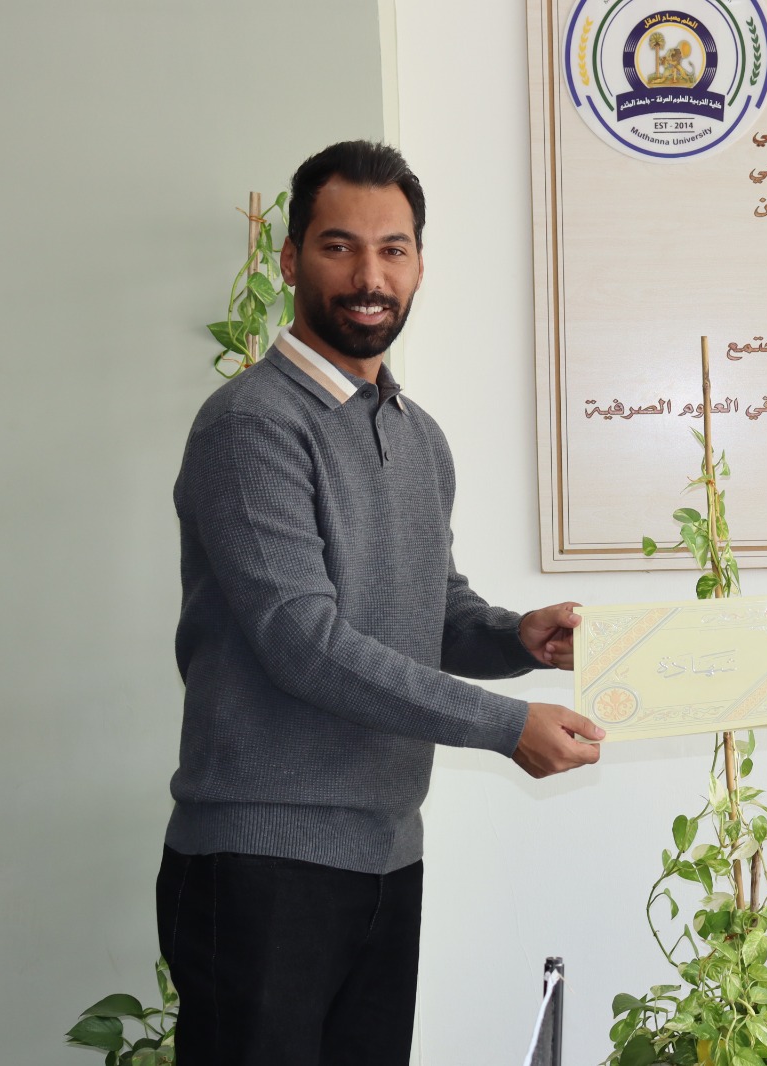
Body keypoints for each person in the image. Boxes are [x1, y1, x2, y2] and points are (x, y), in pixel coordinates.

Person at [157, 140, 604, 1066]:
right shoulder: (250, 425)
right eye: (340, 247)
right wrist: (505, 725)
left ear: (419, 266)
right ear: (291, 260)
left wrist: (516, 637)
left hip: (385, 855)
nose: (370, 276)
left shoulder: (417, 435)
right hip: (261, 866)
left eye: (393, 249)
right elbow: (303, 641)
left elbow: (433, 611)